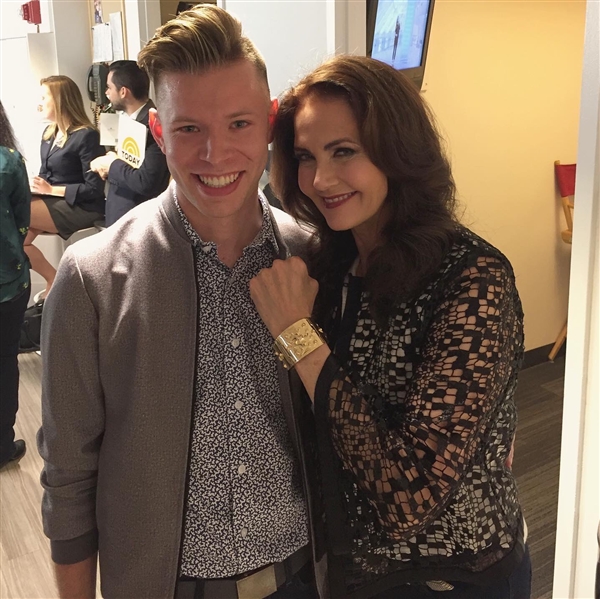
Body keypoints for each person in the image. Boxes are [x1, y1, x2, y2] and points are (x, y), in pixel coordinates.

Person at [37, 6, 320, 599]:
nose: (216, 154)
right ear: (158, 131)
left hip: (302, 578)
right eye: (189, 128)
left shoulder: (312, 260)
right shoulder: (91, 278)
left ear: (269, 124)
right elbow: (69, 476)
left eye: (239, 123)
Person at [249, 55, 531, 598]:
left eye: (344, 151)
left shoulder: (470, 278)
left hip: (451, 577)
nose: (321, 179)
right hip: (347, 571)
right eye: (306, 157)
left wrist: (297, 336)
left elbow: (408, 494)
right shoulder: (329, 263)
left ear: (397, 150)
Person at [26, 75, 105, 297]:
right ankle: (54, 279)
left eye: (44, 97)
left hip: (82, 206)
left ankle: (56, 282)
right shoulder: (49, 134)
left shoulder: (86, 136)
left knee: (15, 209)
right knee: (15, 243)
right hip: (54, 201)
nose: (39, 103)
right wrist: (35, 186)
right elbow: (46, 174)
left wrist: (51, 190)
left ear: (60, 100)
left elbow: (94, 189)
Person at [90, 60, 170, 226]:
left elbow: (146, 182)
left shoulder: (153, 125)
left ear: (123, 92)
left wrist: (112, 165)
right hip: (121, 216)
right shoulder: (126, 121)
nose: (106, 92)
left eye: (109, 87)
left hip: (138, 221)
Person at [0, 101, 31, 471]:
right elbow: (22, 219)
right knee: (5, 361)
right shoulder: (8, 161)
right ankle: (2, 446)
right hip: (7, 282)